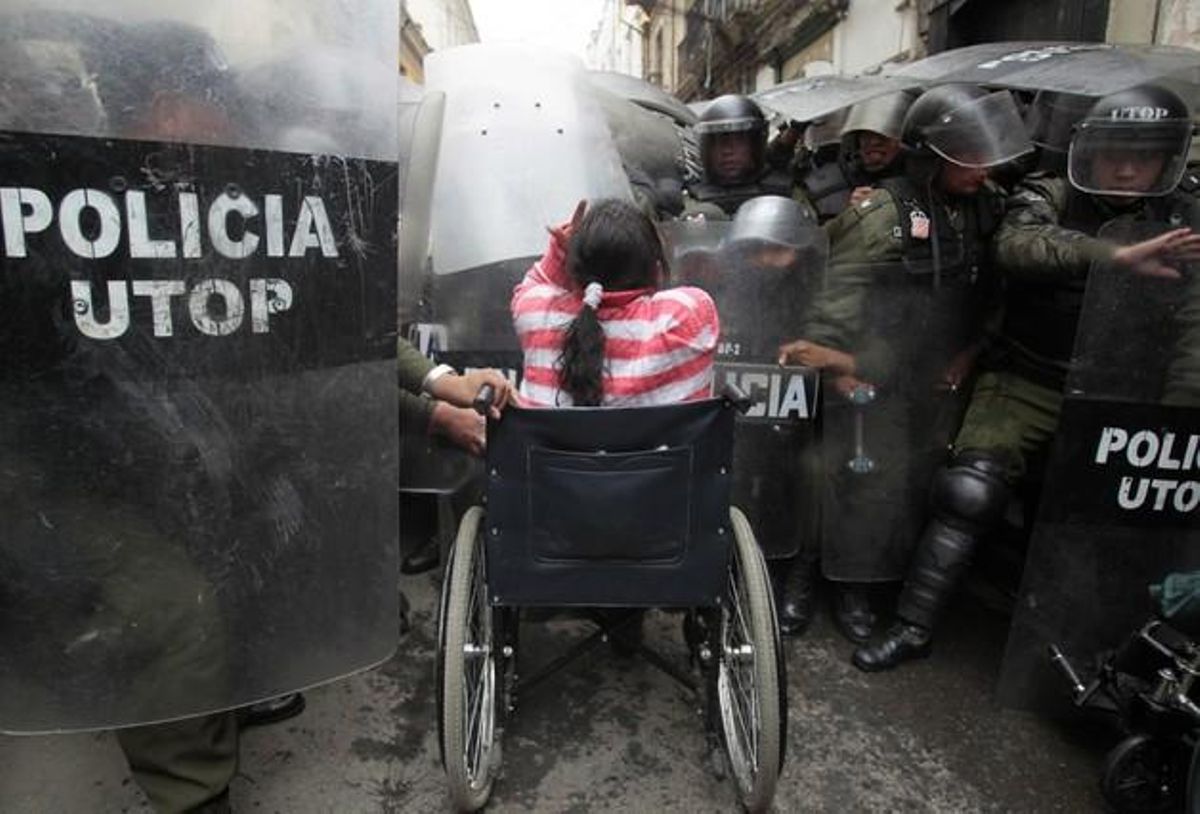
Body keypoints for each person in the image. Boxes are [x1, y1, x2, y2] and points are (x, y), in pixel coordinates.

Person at [852, 83, 1200, 672]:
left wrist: (1170, 422)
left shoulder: (1184, 221)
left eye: (1141, 155)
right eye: (1116, 150)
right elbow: (1017, 246)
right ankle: (914, 625)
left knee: (1115, 515)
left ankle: (1103, 656)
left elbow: (1194, 325)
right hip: (1028, 374)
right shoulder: (1051, 193)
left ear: (1164, 160)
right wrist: (1109, 256)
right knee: (969, 491)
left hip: (1124, 392)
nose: (1124, 167)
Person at [777, 84, 1031, 644]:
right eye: (968, 154)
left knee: (905, 488)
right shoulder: (884, 215)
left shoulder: (984, 209)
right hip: (870, 370)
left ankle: (864, 581)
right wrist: (837, 370)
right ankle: (823, 579)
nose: (982, 167)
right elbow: (833, 299)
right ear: (934, 154)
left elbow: (991, 294)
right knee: (850, 478)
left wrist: (969, 354)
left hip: (935, 376)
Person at [513, 198, 719, 407]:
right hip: (659, 442)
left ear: (574, 269)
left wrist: (559, 251)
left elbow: (535, 283)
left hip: (548, 442)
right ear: (656, 271)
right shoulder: (685, 315)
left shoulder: (536, 315)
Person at [683, 94, 810, 220]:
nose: (727, 151)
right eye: (719, 143)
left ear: (757, 143)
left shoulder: (787, 193)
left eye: (738, 142)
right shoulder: (690, 198)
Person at [796, 91, 915, 223]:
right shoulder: (832, 186)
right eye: (866, 134)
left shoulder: (924, 183)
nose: (874, 142)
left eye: (885, 134)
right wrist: (852, 217)